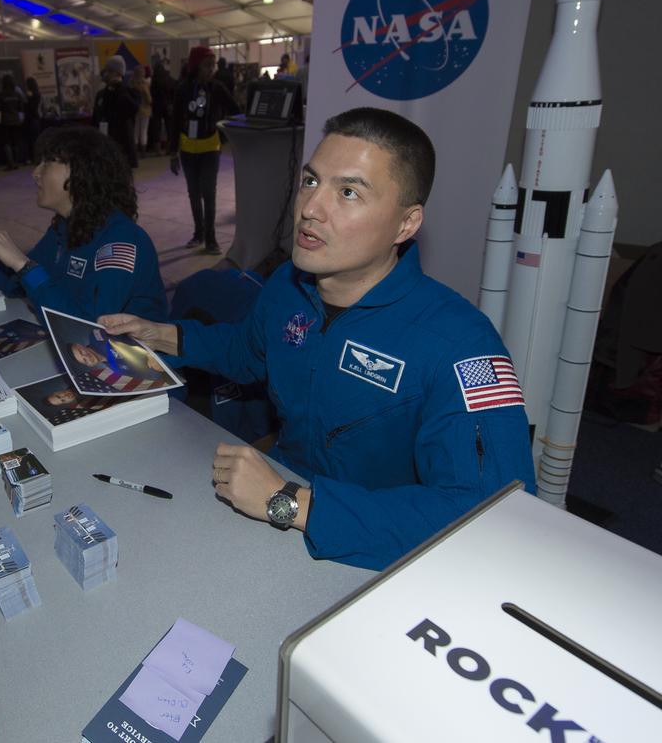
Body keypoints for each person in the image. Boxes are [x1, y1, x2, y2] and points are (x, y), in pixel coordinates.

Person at [103, 108, 536, 571]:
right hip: (278, 502)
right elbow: (247, 353)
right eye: (311, 181)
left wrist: (293, 503)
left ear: (406, 225)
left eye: (348, 192)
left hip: (378, 556)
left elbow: (492, 521)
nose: (310, 208)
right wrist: (162, 335)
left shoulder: (462, 345)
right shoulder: (289, 285)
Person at [0, 125, 166, 322]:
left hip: (133, 361)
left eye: (48, 162)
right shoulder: (65, 228)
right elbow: (15, 285)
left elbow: (89, 324)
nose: (35, 173)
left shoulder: (120, 240)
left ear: (82, 171)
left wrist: (24, 265)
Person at [170, 45, 238, 254]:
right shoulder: (182, 89)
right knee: (194, 193)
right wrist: (173, 153)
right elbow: (174, 121)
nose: (212, 69)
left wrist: (227, 133)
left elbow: (235, 111)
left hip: (210, 148)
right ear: (195, 66)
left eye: (213, 65)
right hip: (188, 150)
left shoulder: (217, 88)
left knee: (209, 193)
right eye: (207, 65)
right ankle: (198, 233)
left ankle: (211, 238)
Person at [91, 54, 139, 168]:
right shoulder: (101, 95)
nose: (105, 74)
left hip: (123, 147)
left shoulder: (129, 93)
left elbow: (131, 109)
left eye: (109, 71)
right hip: (104, 146)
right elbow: (95, 119)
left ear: (117, 73)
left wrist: (118, 87)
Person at [0, 73, 24, 168]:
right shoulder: (17, 94)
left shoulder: (0, 95)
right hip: (16, 120)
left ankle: (10, 163)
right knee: (16, 142)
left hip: (5, 121)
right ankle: (17, 162)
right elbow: (21, 107)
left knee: (7, 142)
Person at [148, 54, 175, 155]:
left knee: (157, 127)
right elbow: (174, 89)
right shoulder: (169, 78)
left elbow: (152, 93)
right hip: (168, 105)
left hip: (157, 106)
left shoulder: (154, 80)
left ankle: (158, 150)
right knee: (169, 127)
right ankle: (170, 148)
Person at [129, 63, 152, 155]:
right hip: (145, 109)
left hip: (134, 109)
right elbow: (149, 98)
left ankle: (135, 150)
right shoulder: (144, 83)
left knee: (135, 130)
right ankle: (143, 151)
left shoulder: (131, 83)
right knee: (143, 130)